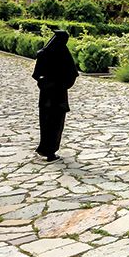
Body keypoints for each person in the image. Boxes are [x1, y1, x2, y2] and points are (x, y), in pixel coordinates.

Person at [32, 30, 78, 162]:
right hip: (59, 95)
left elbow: (36, 75)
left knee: (46, 122)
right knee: (56, 123)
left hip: (46, 95)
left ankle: (45, 148)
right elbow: (72, 75)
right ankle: (50, 152)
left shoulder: (43, 53)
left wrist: (44, 82)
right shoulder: (64, 54)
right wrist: (62, 85)